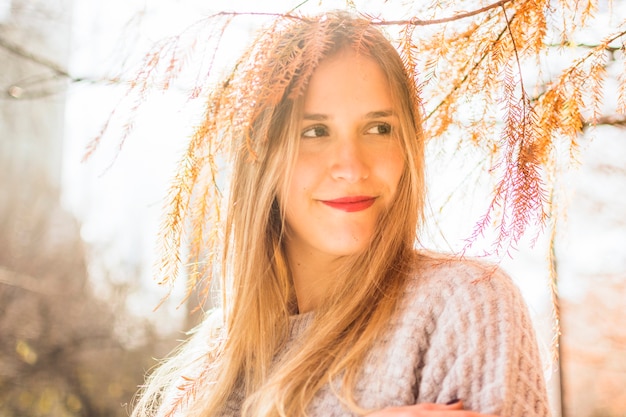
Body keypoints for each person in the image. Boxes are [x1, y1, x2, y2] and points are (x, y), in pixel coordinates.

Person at [130, 10, 551, 417]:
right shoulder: (211, 364)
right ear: (262, 158)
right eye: (315, 131)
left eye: (378, 128)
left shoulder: (464, 305)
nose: (351, 166)